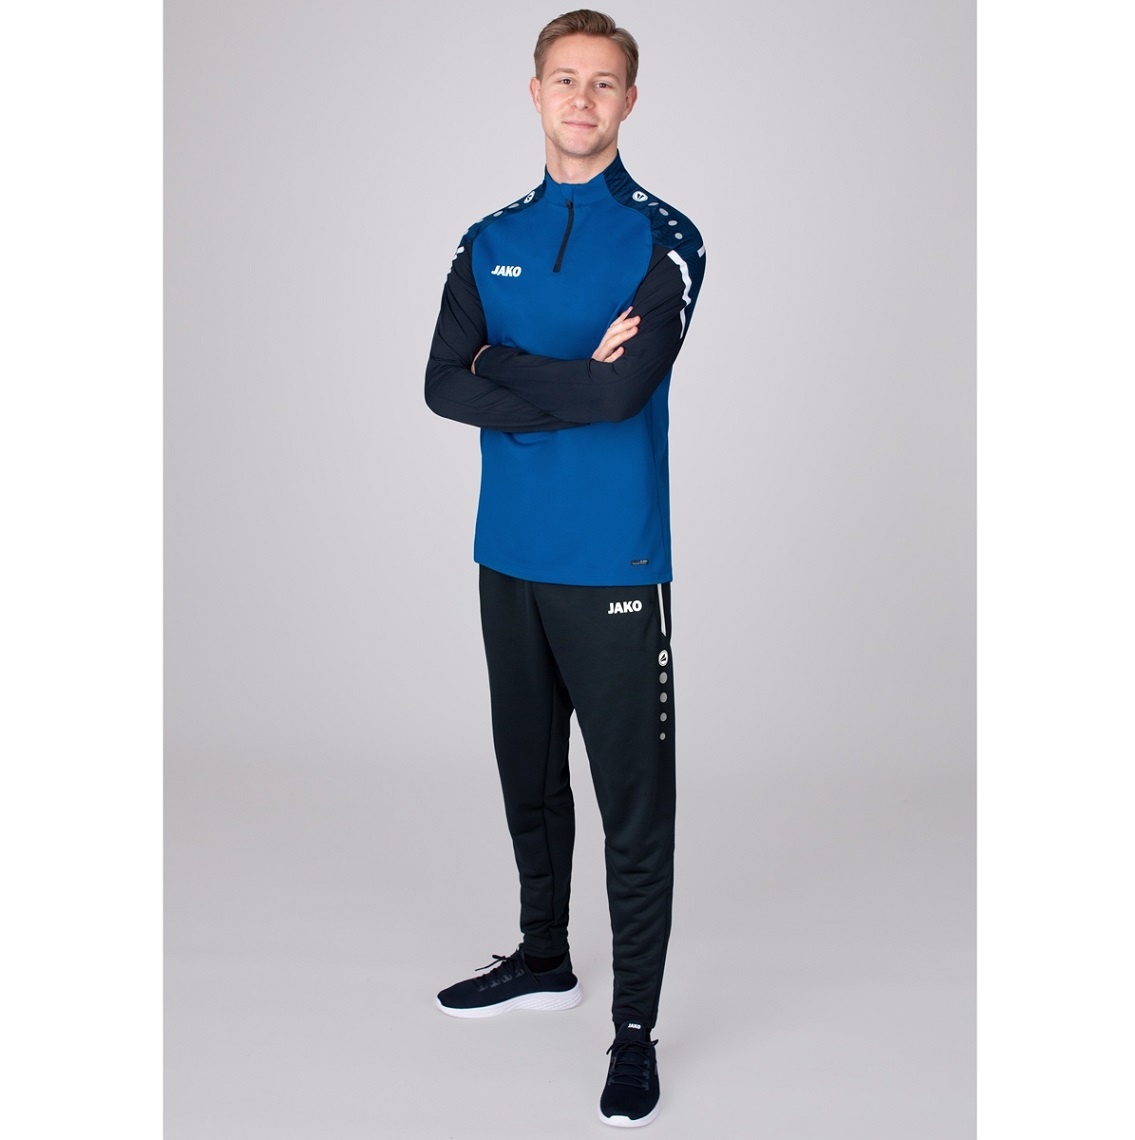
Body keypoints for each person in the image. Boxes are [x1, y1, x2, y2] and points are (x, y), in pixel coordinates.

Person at [424, 8, 705, 1128]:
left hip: (615, 557)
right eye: (564, 79)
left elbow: (621, 393)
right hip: (508, 553)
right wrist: (559, 376)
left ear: (630, 101)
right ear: (534, 92)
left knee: (632, 804)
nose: (582, 100)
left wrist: (503, 365)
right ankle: (544, 958)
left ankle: (634, 1033)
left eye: (603, 83)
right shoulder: (485, 237)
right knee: (528, 776)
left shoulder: (663, 238)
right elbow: (441, 383)